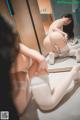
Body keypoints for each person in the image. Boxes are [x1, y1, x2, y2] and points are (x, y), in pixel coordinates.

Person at [0, 15, 48, 119]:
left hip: (30, 67)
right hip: (16, 76)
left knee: (46, 103)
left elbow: (33, 54)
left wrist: (40, 59)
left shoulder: (12, 45)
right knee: (9, 112)